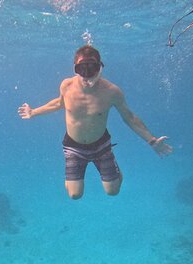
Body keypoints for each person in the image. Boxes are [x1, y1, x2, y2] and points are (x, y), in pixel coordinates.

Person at [18, 45, 173, 200]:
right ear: (75, 68)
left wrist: (151, 140)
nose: (86, 75)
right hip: (73, 146)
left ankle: (114, 172)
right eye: (81, 69)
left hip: (101, 146)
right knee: (74, 195)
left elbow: (129, 117)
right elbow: (59, 103)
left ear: (100, 68)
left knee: (113, 191)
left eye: (92, 68)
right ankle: (74, 176)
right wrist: (33, 112)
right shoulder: (66, 85)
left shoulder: (112, 91)